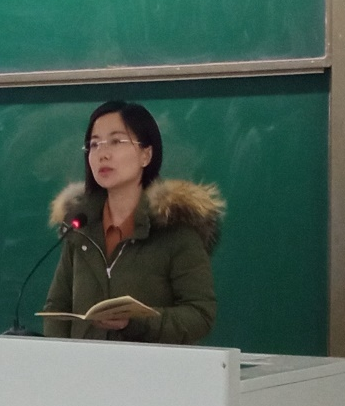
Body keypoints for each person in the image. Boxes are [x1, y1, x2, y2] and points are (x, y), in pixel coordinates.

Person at [42, 100, 224, 344]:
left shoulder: (175, 228)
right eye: (94, 144)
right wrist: (61, 359)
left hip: (150, 367)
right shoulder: (81, 227)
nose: (103, 154)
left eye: (116, 141)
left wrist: (135, 323)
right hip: (84, 367)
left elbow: (200, 315)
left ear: (146, 154)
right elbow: (56, 307)